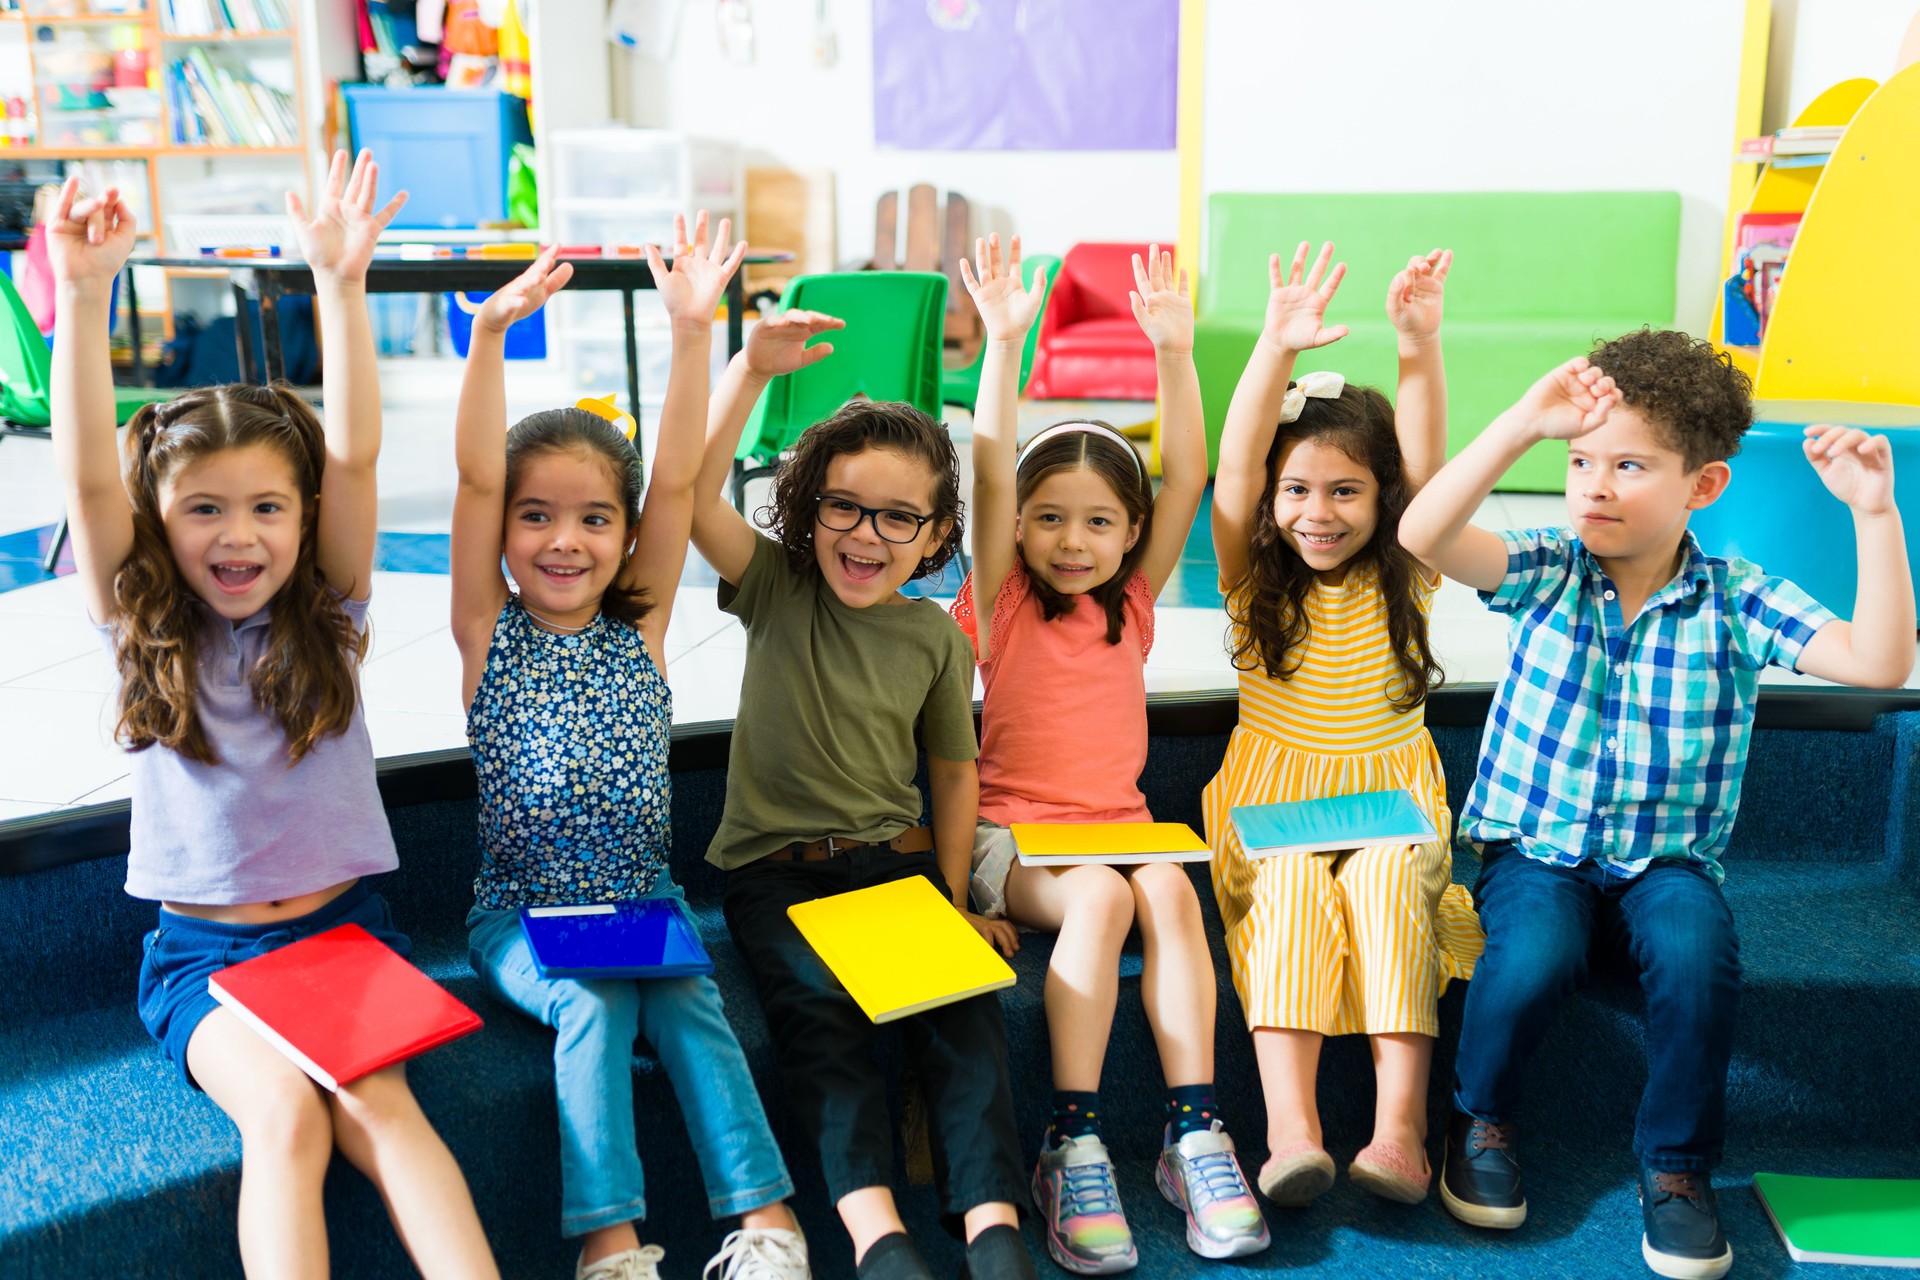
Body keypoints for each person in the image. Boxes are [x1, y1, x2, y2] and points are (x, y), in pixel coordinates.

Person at [49, 153, 499, 1278]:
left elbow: (352, 451)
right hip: (204, 961)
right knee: (286, 1119)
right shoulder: (139, 612)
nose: (235, 533)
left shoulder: (331, 607)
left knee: (383, 1109)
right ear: (162, 525)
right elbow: (89, 483)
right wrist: (88, 290)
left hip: (346, 934)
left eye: (264, 506)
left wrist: (339, 288)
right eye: (203, 509)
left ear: (304, 520)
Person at [1398, 329, 1915, 1280]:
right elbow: (1422, 534)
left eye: (1629, 465)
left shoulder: (1739, 598)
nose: (1594, 483)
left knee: (1694, 955)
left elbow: (1880, 663)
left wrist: (1875, 516)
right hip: (1537, 852)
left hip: (1666, 862)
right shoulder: (1548, 567)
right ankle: (1484, 1121)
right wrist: (1522, 424)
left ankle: (1677, 1172)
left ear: (1702, 487)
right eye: (1581, 460)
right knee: (1530, 956)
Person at [450, 220, 810, 1280]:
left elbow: (679, 483)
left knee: (696, 1008)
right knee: (591, 998)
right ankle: (611, 1243)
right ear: (508, 532)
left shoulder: (637, 627)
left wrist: (694, 333)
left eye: (595, 518)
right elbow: (474, 483)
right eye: (538, 517)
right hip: (521, 910)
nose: (567, 539)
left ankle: (770, 1220)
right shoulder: (489, 633)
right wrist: (486, 344)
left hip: (640, 893)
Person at [688, 309, 1039, 1280]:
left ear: (933, 535)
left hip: (895, 868)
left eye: (898, 517)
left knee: (968, 1025)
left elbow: (954, 768)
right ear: (805, 503)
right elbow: (682, 495)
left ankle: (995, 1234)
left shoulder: (934, 636)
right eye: (844, 505)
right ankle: (879, 1240)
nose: (866, 533)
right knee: (825, 1033)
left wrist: (961, 895)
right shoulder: (775, 585)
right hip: (777, 879)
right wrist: (749, 371)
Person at [953, 234, 1266, 1272]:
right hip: (1016, 834)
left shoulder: (1128, 599)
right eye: (1050, 519)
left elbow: (1189, 474)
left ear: (1130, 533)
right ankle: (1072, 1136)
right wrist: (1005, 343)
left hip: (1122, 825)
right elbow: (994, 473)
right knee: (1102, 898)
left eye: (1097, 520)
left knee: (1173, 896)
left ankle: (1193, 1130)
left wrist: (1173, 354)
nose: (1072, 539)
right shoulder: (999, 597)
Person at [1199, 241, 1482, 1210]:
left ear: (1386, 499)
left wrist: (1419, 345)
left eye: (1346, 490)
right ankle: (1291, 1132)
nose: (1317, 511)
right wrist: (1274, 347)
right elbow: (1235, 461)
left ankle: (1400, 1129)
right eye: (1299, 491)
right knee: (1284, 888)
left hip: (1388, 794)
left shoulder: (1410, 561)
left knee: (1392, 879)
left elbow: (1430, 458)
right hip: (1275, 801)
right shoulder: (1250, 577)